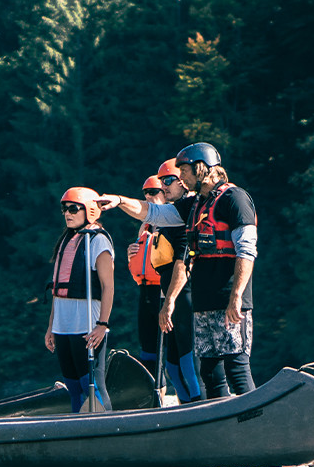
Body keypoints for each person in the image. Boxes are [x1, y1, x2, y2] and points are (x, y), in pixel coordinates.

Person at [98, 142, 257, 398]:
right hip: (204, 303)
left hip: (229, 300)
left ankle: (258, 426)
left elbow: (246, 250)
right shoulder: (195, 205)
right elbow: (153, 212)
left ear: (200, 168)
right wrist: (118, 201)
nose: (181, 178)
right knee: (210, 372)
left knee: (236, 369)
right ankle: (217, 429)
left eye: (183, 171)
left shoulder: (235, 198)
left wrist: (236, 296)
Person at [45, 187, 114, 413]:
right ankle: (79, 430)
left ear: (90, 211)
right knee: (73, 387)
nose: (68, 213)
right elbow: (57, 290)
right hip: (63, 324)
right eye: (65, 209)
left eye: (74, 209)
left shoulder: (98, 241)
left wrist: (102, 325)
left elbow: (108, 287)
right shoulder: (67, 239)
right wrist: (50, 327)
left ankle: (107, 430)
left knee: (91, 385)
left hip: (87, 323)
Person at [152, 162, 204, 403]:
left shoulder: (187, 216)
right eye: (161, 181)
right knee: (172, 367)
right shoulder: (169, 218)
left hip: (184, 295)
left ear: (183, 181)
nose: (163, 186)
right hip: (170, 297)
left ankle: (202, 409)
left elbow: (182, 263)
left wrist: (169, 302)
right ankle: (186, 411)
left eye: (168, 180)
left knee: (187, 362)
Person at [125, 176, 171, 379]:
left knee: (170, 352)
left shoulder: (172, 221)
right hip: (145, 291)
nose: (148, 197)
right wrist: (131, 253)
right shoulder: (144, 226)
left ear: (165, 194)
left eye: (154, 192)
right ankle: (155, 398)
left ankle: (187, 402)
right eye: (146, 193)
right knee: (147, 349)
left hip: (164, 291)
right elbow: (139, 264)